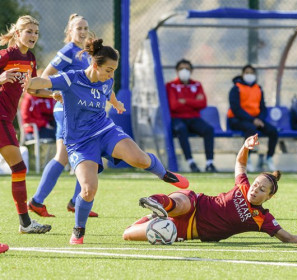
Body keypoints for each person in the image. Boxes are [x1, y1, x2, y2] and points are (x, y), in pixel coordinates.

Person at [23, 38, 189, 245]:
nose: (111, 75)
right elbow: (43, 83)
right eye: (108, 70)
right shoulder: (71, 79)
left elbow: (107, 90)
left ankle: (164, 174)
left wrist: (116, 103)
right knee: (88, 189)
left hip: (105, 130)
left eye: (114, 71)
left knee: (139, 159)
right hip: (80, 143)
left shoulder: (107, 80)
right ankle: (78, 230)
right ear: (94, 65)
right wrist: (25, 80)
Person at [124, 134, 297, 244]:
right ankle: (156, 203)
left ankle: (154, 218)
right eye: (256, 184)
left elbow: (287, 237)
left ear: (269, 197)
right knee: (182, 202)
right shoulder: (243, 185)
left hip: (188, 230)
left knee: (136, 234)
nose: (255, 189)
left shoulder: (262, 219)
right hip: (197, 205)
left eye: (262, 190)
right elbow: (240, 164)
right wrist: (246, 146)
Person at [27, 14, 98, 218]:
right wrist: (53, 92)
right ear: (69, 31)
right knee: (67, 156)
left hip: (79, 113)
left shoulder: (85, 53)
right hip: (66, 112)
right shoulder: (68, 51)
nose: (83, 31)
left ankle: (75, 201)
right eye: (78, 28)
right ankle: (37, 201)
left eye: (85, 28)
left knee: (83, 153)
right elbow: (45, 77)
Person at [0, 15, 51, 233]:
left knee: (19, 169)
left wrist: (54, 94)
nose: (33, 36)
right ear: (18, 34)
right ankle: (26, 224)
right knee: (19, 168)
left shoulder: (30, 58)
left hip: (6, 119)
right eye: (28, 31)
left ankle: (25, 223)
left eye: (36, 32)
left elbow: (31, 88)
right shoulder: (6, 54)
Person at [166, 59, 217, 173]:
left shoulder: (197, 85)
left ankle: (210, 163)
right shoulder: (170, 85)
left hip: (194, 117)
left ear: (191, 71)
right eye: (181, 69)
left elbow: (203, 103)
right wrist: (193, 101)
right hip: (177, 118)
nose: (184, 71)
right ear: (177, 71)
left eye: (187, 69)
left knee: (209, 129)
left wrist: (184, 101)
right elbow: (174, 105)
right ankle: (191, 162)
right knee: (181, 129)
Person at [227, 64, 278, 171]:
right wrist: (253, 120)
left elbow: (263, 107)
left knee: (273, 131)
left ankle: (269, 158)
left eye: (252, 73)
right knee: (251, 130)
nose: (249, 75)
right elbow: (236, 109)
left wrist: (260, 119)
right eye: (247, 73)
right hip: (237, 120)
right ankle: (246, 159)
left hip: (256, 119)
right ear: (242, 74)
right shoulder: (236, 88)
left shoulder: (258, 89)